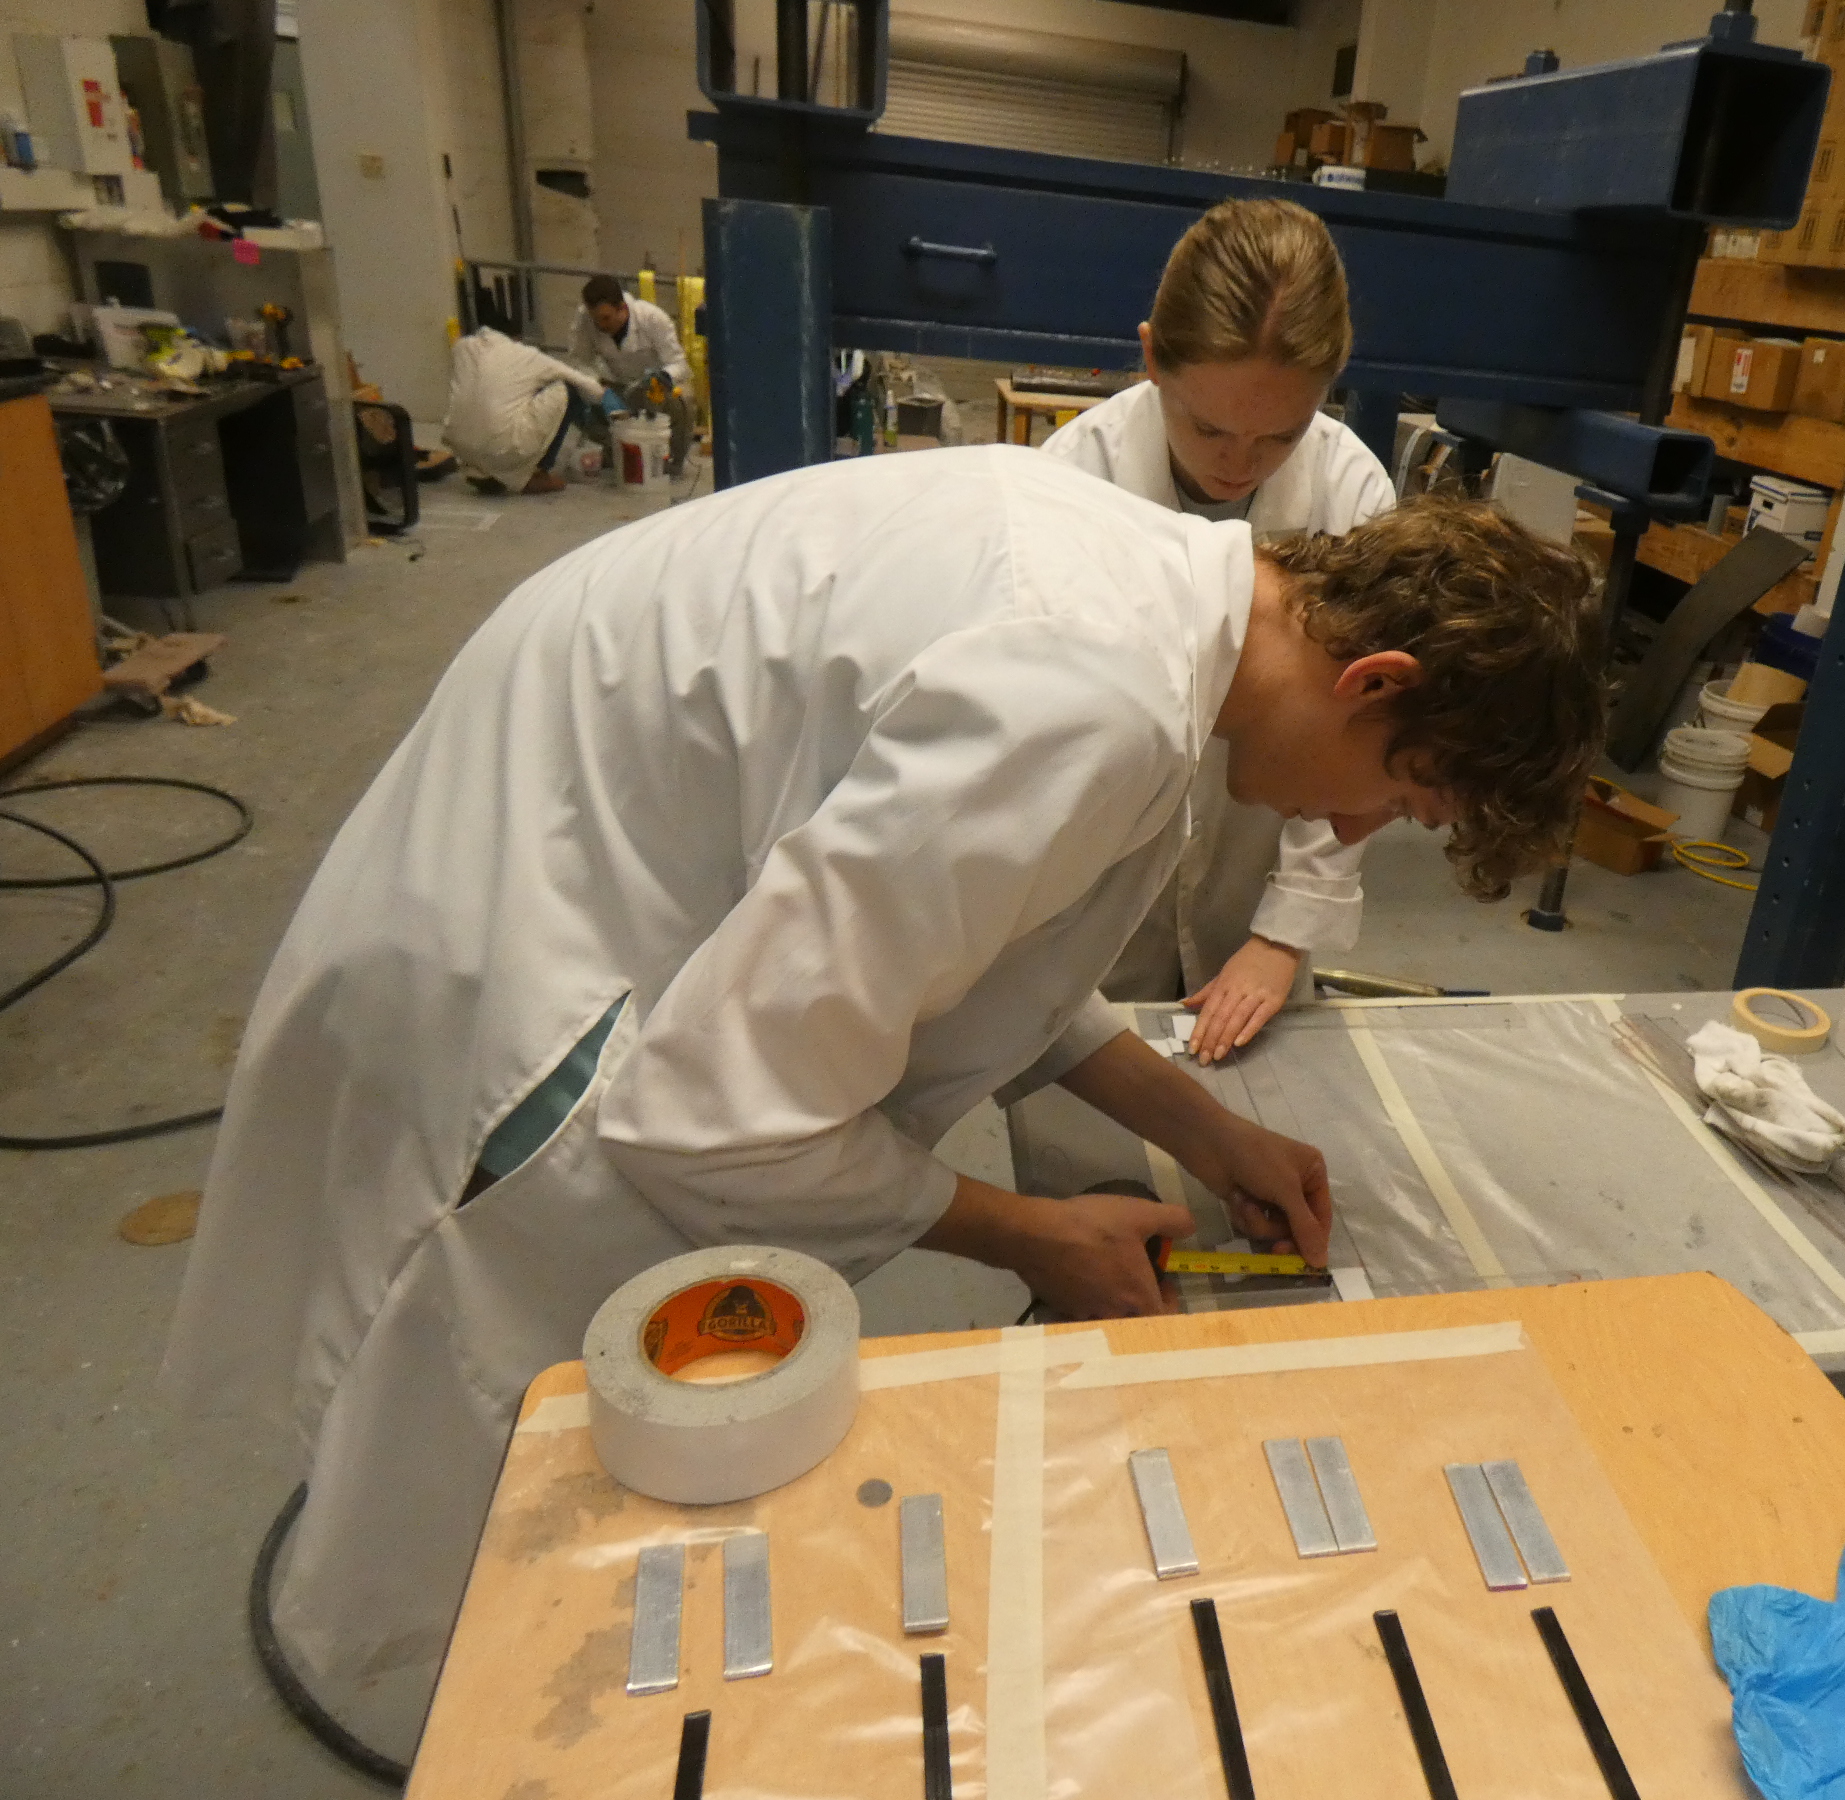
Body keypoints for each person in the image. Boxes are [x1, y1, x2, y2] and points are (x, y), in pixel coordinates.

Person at [163, 444, 1600, 1757]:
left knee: (541, 1408)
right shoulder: (1093, 695)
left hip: (572, 850)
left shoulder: (1166, 608)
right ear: (1375, 681)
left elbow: (979, 951)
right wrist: (1036, 1233)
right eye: (1397, 795)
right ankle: (445, 1710)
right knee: (510, 1408)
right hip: (532, 967)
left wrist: (1200, 1124)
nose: (1349, 830)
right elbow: (719, 1114)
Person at [1045, 198, 1394, 1065]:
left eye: (1280, 435)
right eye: (1207, 426)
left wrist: (1285, 934)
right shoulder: (1069, 488)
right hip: (1091, 909)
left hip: (1255, 900)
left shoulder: (1354, 499)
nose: (1237, 464)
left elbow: (1361, 743)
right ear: (1153, 356)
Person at [442, 321, 620, 496]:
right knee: (569, 388)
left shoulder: (461, 348)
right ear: (516, 339)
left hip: (460, 446)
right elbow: (581, 381)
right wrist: (607, 398)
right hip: (503, 445)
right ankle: (539, 473)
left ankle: (483, 471)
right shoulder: (525, 354)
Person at [569, 272, 695, 476]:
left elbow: (679, 364)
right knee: (569, 393)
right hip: (615, 388)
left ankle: (671, 462)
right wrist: (599, 390)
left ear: (622, 308)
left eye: (606, 318)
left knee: (682, 400)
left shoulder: (653, 318)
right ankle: (618, 451)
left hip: (653, 390)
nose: (601, 326)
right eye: (596, 320)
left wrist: (662, 376)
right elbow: (578, 362)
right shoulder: (586, 319)